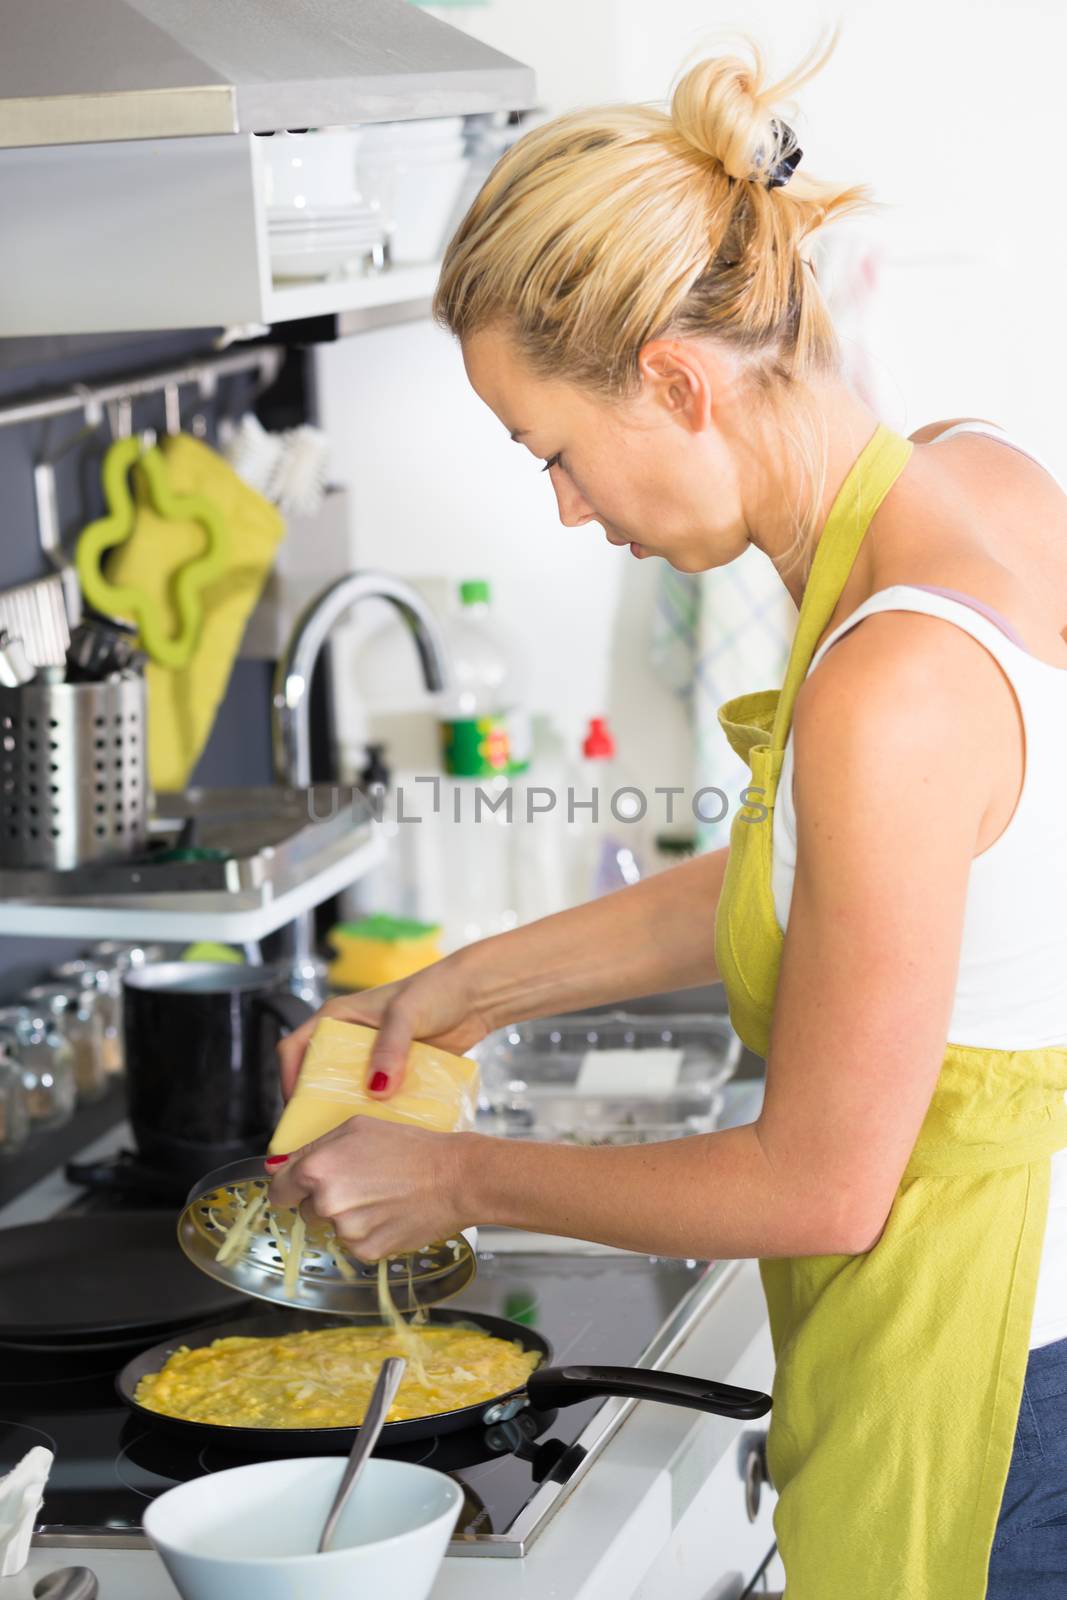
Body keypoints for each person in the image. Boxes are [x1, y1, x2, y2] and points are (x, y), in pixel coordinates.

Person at [269, 37, 1067, 1598]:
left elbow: (818, 1187)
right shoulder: (980, 480)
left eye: (555, 452)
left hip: (1000, 1405)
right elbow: (832, 890)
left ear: (675, 381)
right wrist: (453, 996)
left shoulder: (889, 686)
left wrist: (455, 1179)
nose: (570, 506)